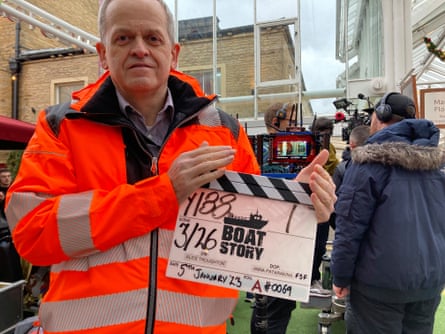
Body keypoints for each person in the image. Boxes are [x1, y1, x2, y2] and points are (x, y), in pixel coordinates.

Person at [5, 1, 336, 334]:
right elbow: (34, 234)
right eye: (123, 38)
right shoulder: (62, 126)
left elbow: (256, 238)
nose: (139, 49)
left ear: (173, 53)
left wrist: (300, 205)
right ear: (103, 54)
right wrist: (163, 192)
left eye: (152, 38)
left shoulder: (225, 131)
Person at [331, 92, 445, 334]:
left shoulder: (366, 164)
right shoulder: (437, 165)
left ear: (379, 116)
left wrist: (339, 277)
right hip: (429, 283)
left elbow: (349, 227)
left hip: (377, 288)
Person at [250, 103, 334, 334]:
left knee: (271, 308)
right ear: (276, 122)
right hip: (275, 245)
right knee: (271, 310)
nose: (297, 125)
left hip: (286, 245)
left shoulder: (289, 150)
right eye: (289, 120)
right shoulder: (267, 154)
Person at [310, 117, 338, 296]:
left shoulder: (331, 150)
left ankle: (314, 277)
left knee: (320, 244)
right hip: (316, 200)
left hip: (327, 200)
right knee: (317, 244)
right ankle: (312, 278)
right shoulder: (310, 147)